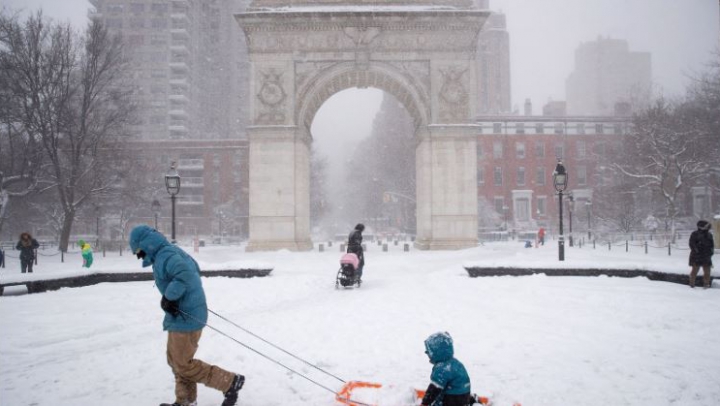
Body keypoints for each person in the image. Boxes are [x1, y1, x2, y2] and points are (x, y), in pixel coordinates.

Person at [129, 225, 244, 406]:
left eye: (138, 251)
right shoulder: (167, 252)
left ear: (146, 245)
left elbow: (187, 275)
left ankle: (229, 382)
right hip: (183, 314)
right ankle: (186, 401)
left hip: (186, 317)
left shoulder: (166, 256)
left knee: (182, 363)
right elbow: (192, 271)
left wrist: (169, 297)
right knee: (177, 361)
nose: (139, 256)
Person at [420, 331, 478, 406]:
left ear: (437, 352)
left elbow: (434, 389)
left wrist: (424, 403)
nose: (427, 353)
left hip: (452, 399)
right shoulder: (455, 362)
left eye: (429, 351)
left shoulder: (442, 368)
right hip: (464, 395)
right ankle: (471, 400)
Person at [688, 220, 714, 289]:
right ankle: (692, 284)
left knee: (707, 271)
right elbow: (692, 244)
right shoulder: (694, 234)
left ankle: (706, 284)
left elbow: (712, 245)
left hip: (706, 256)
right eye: (706, 226)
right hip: (697, 256)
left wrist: (711, 252)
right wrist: (697, 251)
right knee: (695, 271)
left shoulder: (709, 235)